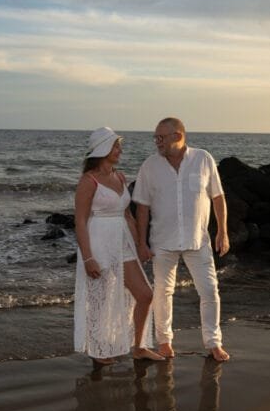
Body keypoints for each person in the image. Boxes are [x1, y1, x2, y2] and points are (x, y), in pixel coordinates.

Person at [132, 118, 231, 362]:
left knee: (209, 291)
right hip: (162, 241)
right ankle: (164, 342)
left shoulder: (203, 159)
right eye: (155, 138)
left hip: (198, 239)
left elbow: (217, 197)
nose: (157, 142)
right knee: (163, 293)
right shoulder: (149, 166)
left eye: (161, 137)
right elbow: (142, 207)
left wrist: (223, 231)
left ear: (178, 136)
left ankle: (213, 343)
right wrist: (141, 243)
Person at [74, 127, 165, 365]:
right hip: (98, 242)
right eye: (116, 146)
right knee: (101, 298)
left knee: (145, 294)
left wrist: (140, 245)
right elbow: (80, 221)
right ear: (103, 148)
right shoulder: (88, 181)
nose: (120, 150)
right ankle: (98, 349)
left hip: (122, 242)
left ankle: (139, 347)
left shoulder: (120, 177)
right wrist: (87, 257)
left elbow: (128, 216)